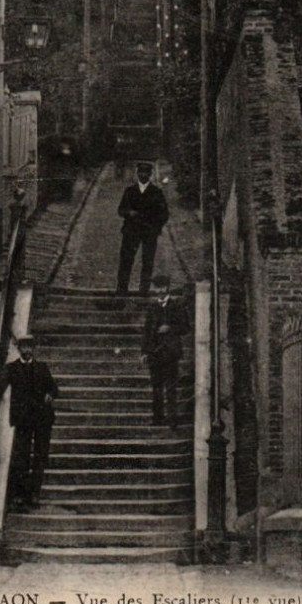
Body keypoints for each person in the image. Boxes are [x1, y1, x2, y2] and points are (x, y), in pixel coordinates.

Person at [0, 335, 58, 511]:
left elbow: (54, 387)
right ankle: (20, 495)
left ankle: (35, 494)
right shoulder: (11, 369)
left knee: (40, 457)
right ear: (19, 349)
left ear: (34, 349)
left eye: (30, 347)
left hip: (42, 418)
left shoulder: (42, 367)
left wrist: (50, 394)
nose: (27, 350)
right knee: (22, 457)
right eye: (23, 347)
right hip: (23, 419)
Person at [141, 275, 189, 429]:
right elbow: (147, 332)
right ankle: (157, 418)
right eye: (157, 287)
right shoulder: (152, 308)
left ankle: (172, 419)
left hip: (170, 353)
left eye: (162, 287)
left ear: (167, 288)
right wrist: (144, 352)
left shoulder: (177, 306)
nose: (160, 291)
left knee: (171, 388)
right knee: (156, 387)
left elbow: (186, 327)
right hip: (155, 353)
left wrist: (170, 328)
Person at [116, 161, 169, 297]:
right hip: (131, 231)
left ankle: (143, 290)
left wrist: (155, 228)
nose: (143, 175)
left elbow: (164, 214)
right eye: (141, 172)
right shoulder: (130, 191)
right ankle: (122, 290)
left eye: (146, 173)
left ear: (150, 175)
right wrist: (129, 213)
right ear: (137, 173)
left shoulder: (156, 192)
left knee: (147, 261)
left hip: (148, 232)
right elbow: (121, 210)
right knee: (126, 260)